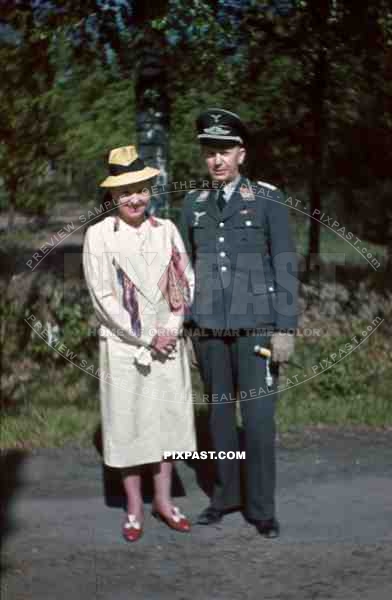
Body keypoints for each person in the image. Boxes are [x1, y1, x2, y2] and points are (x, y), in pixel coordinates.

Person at [181, 108, 298, 538]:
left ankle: (261, 508)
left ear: (241, 154)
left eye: (225, 151)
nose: (217, 160)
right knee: (219, 420)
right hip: (209, 328)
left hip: (257, 329)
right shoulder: (192, 204)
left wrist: (285, 328)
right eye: (210, 152)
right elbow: (184, 272)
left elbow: (284, 264)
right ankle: (225, 496)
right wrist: (188, 330)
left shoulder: (267, 199)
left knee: (259, 419)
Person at [83, 145, 196, 542]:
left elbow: (182, 280)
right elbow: (104, 297)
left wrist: (171, 326)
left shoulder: (167, 230)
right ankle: (133, 508)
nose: (134, 198)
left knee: (166, 425)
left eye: (141, 188)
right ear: (113, 195)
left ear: (151, 190)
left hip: (168, 343)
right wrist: (148, 336)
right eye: (125, 190)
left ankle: (164, 502)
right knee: (128, 425)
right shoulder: (99, 235)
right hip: (125, 347)